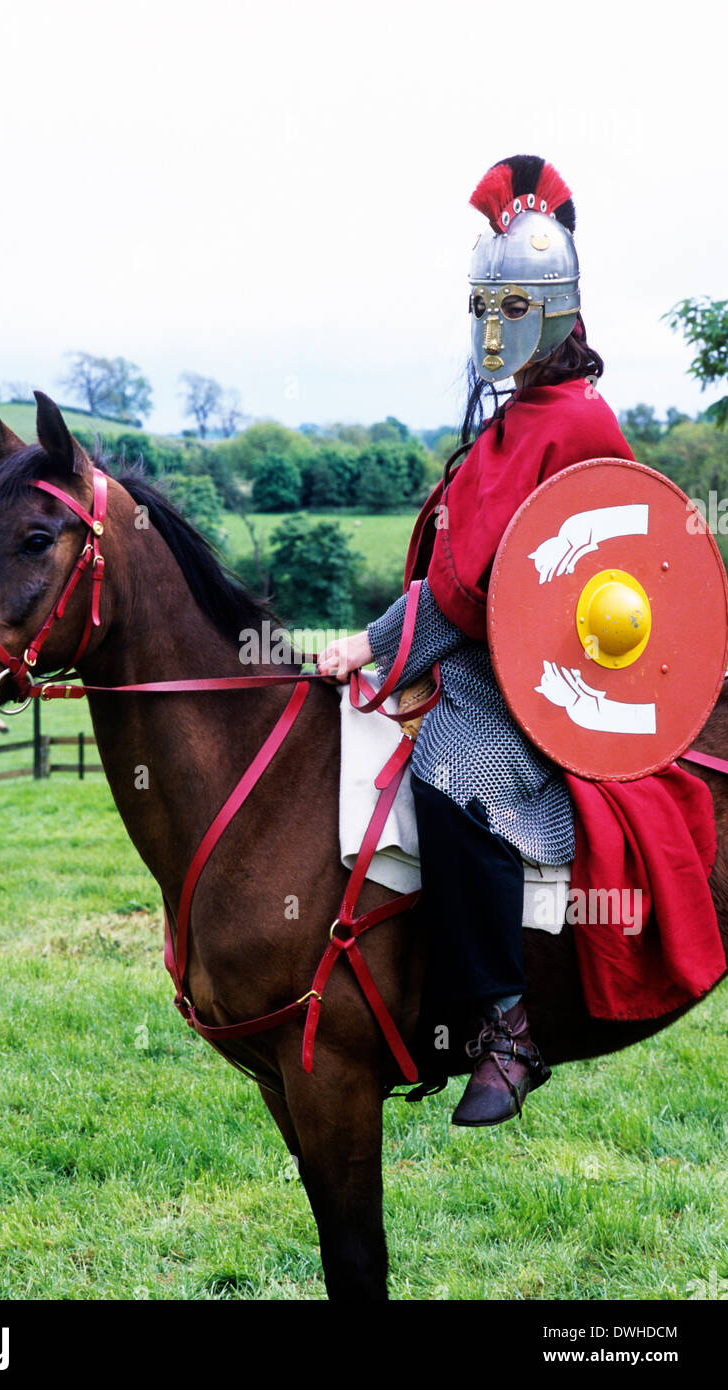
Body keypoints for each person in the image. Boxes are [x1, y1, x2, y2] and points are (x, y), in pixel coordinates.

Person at [317, 154, 636, 1126]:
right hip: (480, 651)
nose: (493, 330)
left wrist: (371, 647)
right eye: (484, 308)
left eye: (512, 308)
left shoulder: (574, 424)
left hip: (537, 672)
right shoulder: (517, 421)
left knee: (451, 773)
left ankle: (508, 1026)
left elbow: (475, 588)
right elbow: (453, 571)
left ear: (558, 314)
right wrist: (383, 644)